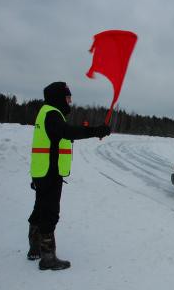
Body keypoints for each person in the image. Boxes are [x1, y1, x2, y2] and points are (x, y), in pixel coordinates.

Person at [27, 82, 111, 270]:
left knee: (40, 208)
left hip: (42, 170)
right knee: (49, 213)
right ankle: (47, 257)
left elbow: (60, 135)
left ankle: (34, 247)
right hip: (50, 171)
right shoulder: (52, 114)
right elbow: (67, 132)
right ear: (58, 97)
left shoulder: (46, 112)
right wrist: (95, 130)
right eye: (67, 97)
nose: (70, 101)